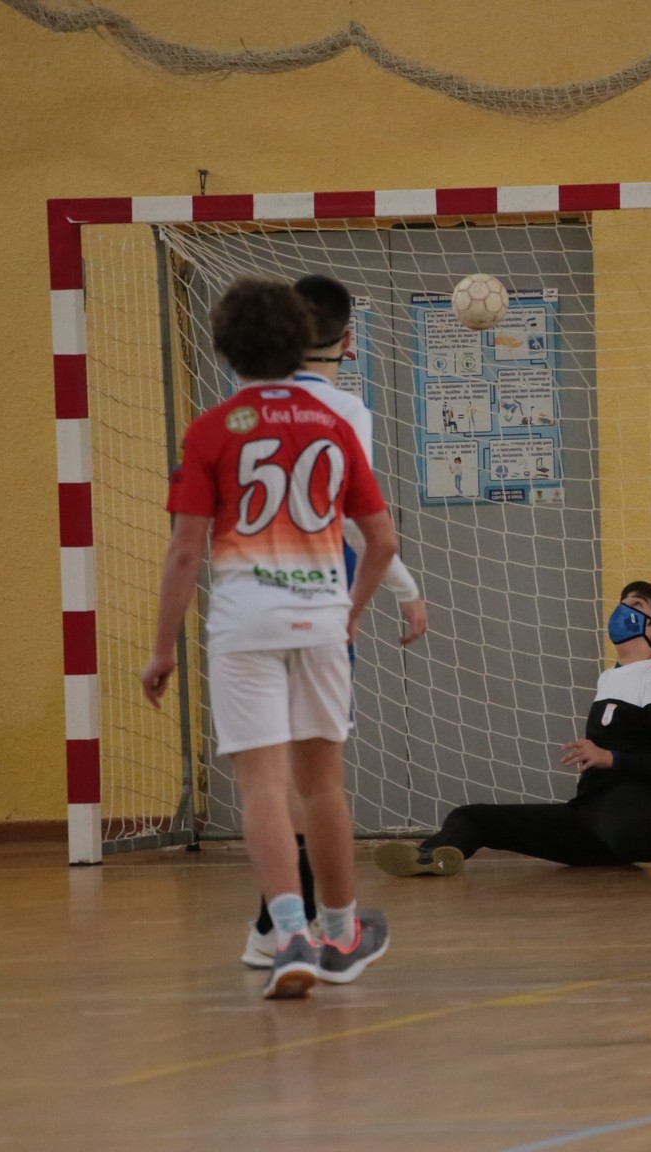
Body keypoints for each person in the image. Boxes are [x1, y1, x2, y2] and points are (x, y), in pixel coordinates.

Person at [140, 277, 397, 999]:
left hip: (243, 623)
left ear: (224, 349)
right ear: (302, 342)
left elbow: (184, 553)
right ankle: (340, 933)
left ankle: (288, 937)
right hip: (319, 619)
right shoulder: (334, 422)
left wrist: (162, 649)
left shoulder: (210, 430)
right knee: (322, 785)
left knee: (261, 786)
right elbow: (381, 542)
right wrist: (350, 611)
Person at [238, 273, 430, 970]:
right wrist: (404, 589)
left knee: (270, 778)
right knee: (314, 779)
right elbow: (355, 519)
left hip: (246, 609)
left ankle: (274, 926)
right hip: (316, 605)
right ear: (350, 341)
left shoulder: (240, 407)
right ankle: (315, 929)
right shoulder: (344, 410)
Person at [374, 581, 651, 877]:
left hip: (632, 817)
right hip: (587, 817)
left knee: (626, 832)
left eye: (636, 605)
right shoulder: (609, 679)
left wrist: (611, 758)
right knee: (471, 815)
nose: (622, 610)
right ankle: (429, 857)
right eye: (622, 602)